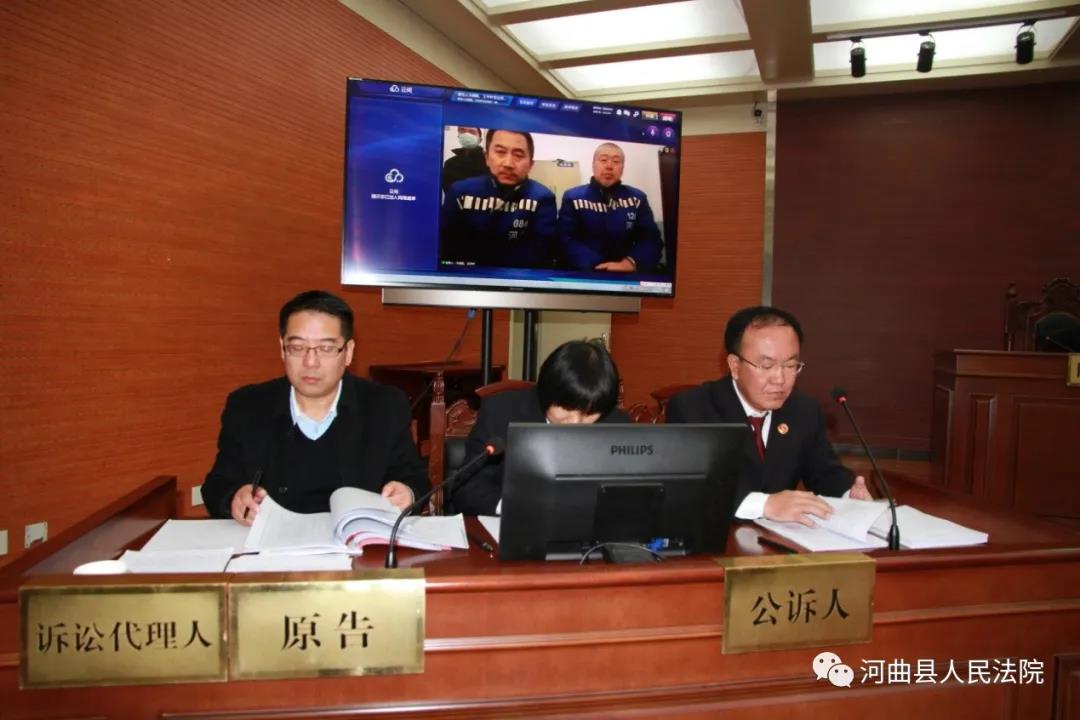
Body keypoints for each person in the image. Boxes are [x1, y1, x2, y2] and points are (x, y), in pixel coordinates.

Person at [201, 290, 428, 524]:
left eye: (326, 348)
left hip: (355, 541)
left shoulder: (384, 406)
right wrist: (234, 498)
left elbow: (415, 478)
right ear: (282, 348)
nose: (310, 362)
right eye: (297, 347)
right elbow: (217, 485)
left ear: (348, 352)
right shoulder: (247, 406)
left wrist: (407, 493)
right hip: (273, 541)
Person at [666, 306, 872, 526]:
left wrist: (848, 495)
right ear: (734, 365)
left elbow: (823, 472)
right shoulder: (693, 409)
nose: (780, 379)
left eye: (790, 365)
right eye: (766, 366)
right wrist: (766, 505)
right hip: (717, 536)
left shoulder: (803, 409)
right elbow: (693, 488)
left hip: (778, 539)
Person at [449, 340, 630, 516]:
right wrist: (515, 507)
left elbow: (629, 495)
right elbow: (466, 488)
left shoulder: (618, 425)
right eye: (567, 409)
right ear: (546, 393)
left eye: (589, 414)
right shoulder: (501, 412)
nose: (575, 422)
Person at [439, 129, 557, 268]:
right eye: (500, 152)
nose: (508, 163)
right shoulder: (460, 192)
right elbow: (445, 246)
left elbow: (540, 254)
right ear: (487, 158)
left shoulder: (543, 198)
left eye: (518, 155)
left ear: (531, 164)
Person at [557, 142, 662, 272]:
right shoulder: (573, 198)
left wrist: (630, 263)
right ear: (593, 164)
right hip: (585, 272)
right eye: (603, 160)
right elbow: (565, 239)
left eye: (616, 161)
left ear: (622, 168)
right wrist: (598, 266)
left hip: (626, 272)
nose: (609, 166)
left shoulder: (637, 199)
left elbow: (651, 239)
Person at [440, 126, 489, 192]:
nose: (467, 134)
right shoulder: (450, 164)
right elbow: (448, 191)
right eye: (462, 130)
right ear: (459, 136)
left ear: (480, 140)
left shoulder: (489, 162)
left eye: (472, 132)